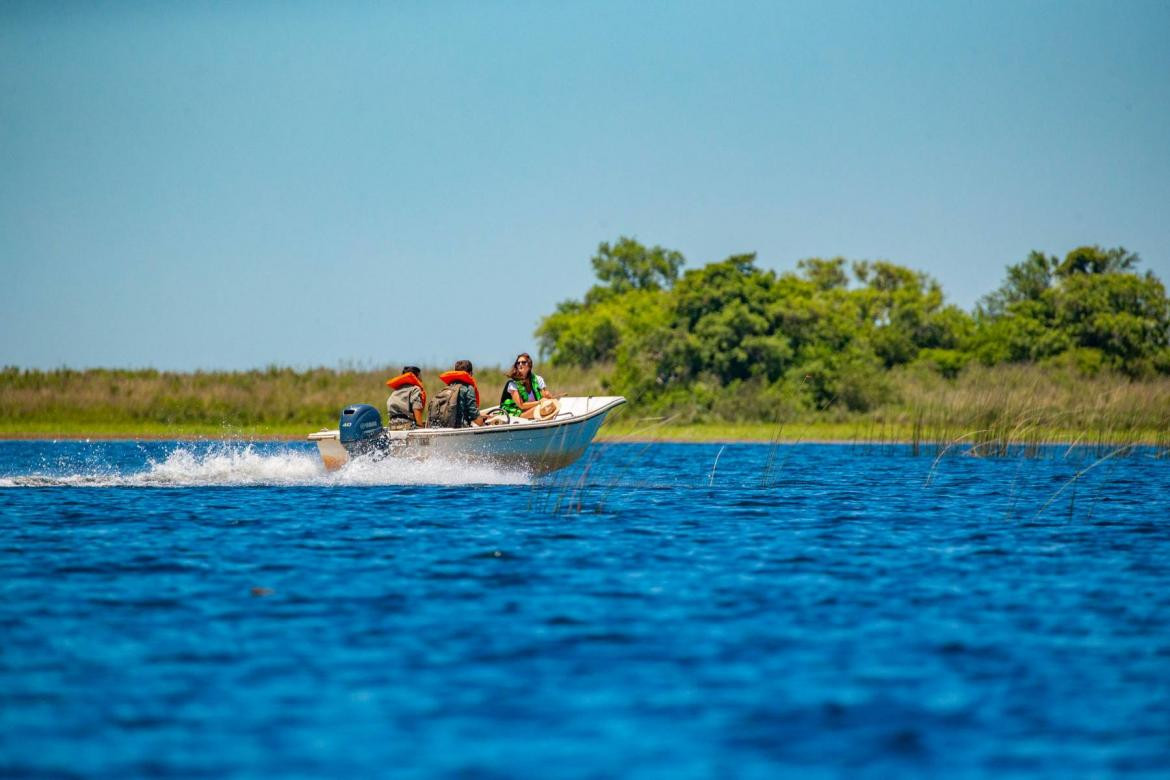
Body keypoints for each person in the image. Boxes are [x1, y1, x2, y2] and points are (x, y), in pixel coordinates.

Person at [428, 359, 486, 428]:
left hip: (444, 427)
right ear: (470, 373)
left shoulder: (449, 386)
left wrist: (481, 416)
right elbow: (474, 415)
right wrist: (484, 423)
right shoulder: (468, 388)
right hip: (460, 428)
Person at [500, 352, 558, 419]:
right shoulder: (513, 385)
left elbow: (544, 396)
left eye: (523, 362)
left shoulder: (538, 379)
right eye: (518, 363)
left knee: (546, 406)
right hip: (516, 415)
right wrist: (539, 402)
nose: (520, 364)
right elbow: (521, 405)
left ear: (529, 365)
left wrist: (547, 395)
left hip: (533, 410)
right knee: (538, 409)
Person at [385, 365, 426, 430]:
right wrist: (420, 427)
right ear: (416, 377)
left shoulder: (396, 391)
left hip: (392, 425)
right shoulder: (415, 389)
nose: (421, 379)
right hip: (406, 425)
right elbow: (416, 408)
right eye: (420, 376)